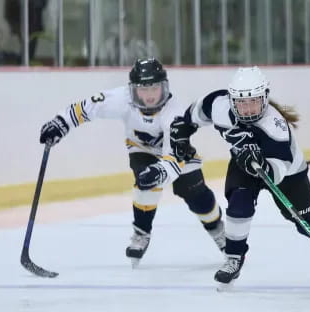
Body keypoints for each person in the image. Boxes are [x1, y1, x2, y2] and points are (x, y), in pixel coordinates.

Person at [169, 66, 310, 288]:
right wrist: (183, 130)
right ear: (232, 100)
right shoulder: (219, 105)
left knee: (306, 222)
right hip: (243, 165)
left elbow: (280, 167)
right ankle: (234, 258)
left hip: (287, 173)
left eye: (253, 101)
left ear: (264, 98)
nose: (247, 109)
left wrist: (264, 165)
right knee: (238, 207)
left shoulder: (275, 127)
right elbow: (196, 113)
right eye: (241, 103)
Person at [39, 58, 225, 267]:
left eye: (154, 88)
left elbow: (174, 156)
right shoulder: (121, 99)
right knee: (145, 183)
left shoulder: (175, 113)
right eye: (143, 90)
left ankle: (217, 228)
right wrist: (61, 123)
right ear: (133, 91)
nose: (150, 95)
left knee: (194, 192)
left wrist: (162, 171)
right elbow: (86, 108)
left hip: (177, 154)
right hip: (142, 149)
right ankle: (141, 232)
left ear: (164, 87)